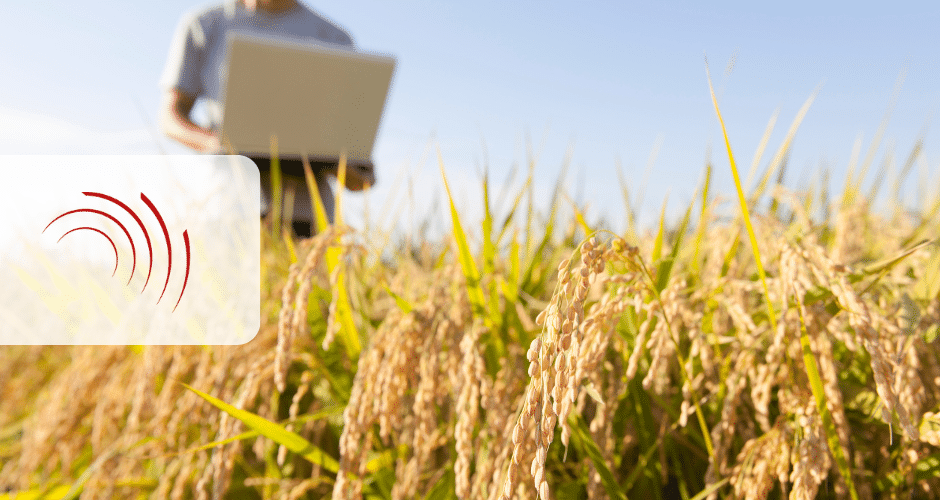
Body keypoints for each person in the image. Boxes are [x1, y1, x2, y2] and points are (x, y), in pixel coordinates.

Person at [160, 0, 375, 238]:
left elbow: (357, 172)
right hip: (227, 206)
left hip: (309, 221)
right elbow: (170, 117)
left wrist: (347, 166)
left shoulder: (334, 38)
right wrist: (217, 144)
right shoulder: (205, 24)